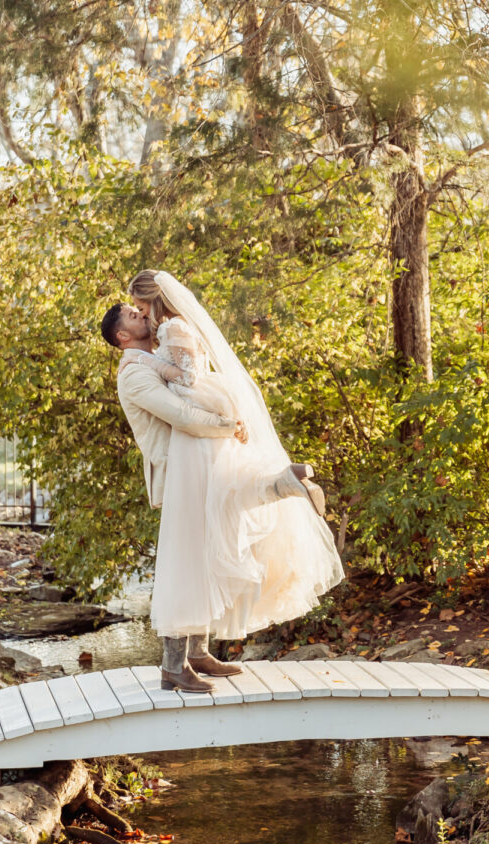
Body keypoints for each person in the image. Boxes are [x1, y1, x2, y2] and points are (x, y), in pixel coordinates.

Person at [101, 271, 343, 693]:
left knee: (214, 540)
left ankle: (196, 652)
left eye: (139, 306)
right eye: (132, 313)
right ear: (123, 336)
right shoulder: (133, 374)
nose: (140, 313)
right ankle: (172, 665)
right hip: (178, 469)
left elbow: (189, 389)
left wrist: (225, 420)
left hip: (194, 463)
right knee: (187, 559)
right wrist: (228, 424)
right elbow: (182, 417)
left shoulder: (155, 358)